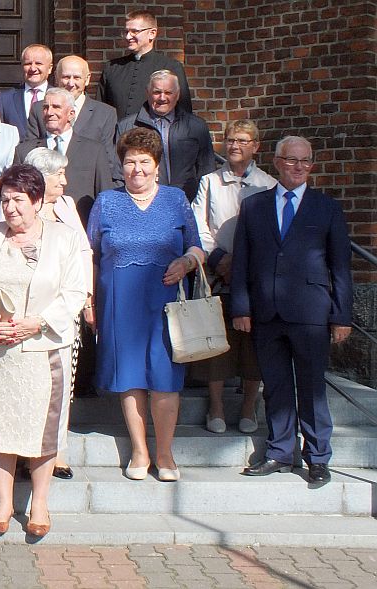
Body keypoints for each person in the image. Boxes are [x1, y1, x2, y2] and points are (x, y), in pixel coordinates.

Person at [0, 164, 86, 538]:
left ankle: (39, 503)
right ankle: (3, 503)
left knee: (41, 428)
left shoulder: (64, 238)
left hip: (42, 349)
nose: (10, 208)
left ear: (36, 200)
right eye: (5, 200)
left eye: (18, 199)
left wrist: (39, 322)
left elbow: (75, 292)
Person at [232, 136, 353, 485]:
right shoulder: (254, 206)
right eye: (292, 160)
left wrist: (342, 315)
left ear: (311, 165)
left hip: (311, 313)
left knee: (312, 388)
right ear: (277, 162)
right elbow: (242, 262)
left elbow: (340, 266)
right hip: (266, 312)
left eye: (305, 161)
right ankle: (280, 451)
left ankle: (317, 456)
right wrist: (241, 307)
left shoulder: (326, 208)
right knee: (276, 386)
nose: (299, 167)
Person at [87, 128, 204, 482]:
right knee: (130, 376)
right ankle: (140, 451)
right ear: (121, 166)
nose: (137, 169)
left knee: (165, 377)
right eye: (130, 162)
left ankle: (165, 453)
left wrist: (186, 262)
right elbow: (90, 256)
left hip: (165, 301)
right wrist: (89, 300)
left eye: (144, 161)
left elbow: (197, 247)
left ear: (156, 165)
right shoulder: (106, 202)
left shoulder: (175, 199)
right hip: (119, 302)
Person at [190, 120, 276, 434]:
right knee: (217, 340)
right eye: (230, 140)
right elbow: (199, 224)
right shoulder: (210, 181)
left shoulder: (268, 185)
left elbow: (271, 233)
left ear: (256, 146)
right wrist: (218, 258)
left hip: (254, 276)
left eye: (242, 140)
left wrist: (242, 263)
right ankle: (215, 406)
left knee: (252, 343)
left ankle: (249, 406)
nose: (234, 145)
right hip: (218, 272)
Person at [24, 147, 95, 480]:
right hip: (28, 312)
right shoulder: (21, 204)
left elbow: (83, 251)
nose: (65, 182)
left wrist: (88, 301)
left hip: (67, 310)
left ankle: (57, 452)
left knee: (62, 384)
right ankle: (26, 452)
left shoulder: (66, 206)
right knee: (30, 386)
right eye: (59, 175)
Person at [16, 87, 114, 226]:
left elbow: (105, 197)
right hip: (35, 228)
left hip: (81, 227)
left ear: (71, 114)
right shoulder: (25, 151)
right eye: (45, 107)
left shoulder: (94, 151)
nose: (49, 112)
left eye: (56, 107)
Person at [115, 70, 214, 202]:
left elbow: (207, 170)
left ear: (177, 95)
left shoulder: (196, 126)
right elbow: (118, 171)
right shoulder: (127, 126)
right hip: (142, 201)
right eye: (157, 92)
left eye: (168, 93)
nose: (162, 98)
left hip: (187, 200)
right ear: (147, 93)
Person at [29, 55, 117, 173]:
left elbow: (108, 159)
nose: (71, 83)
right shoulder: (39, 108)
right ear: (56, 77)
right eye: (66, 77)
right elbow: (31, 149)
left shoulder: (105, 113)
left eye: (76, 77)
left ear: (87, 79)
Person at [98, 9, 192, 119]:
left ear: (152, 33)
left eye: (134, 31)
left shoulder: (171, 67)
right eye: (126, 32)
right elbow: (100, 111)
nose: (128, 37)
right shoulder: (112, 68)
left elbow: (184, 112)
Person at [0, 44, 53, 140]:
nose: (33, 68)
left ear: (50, 68)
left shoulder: (60, 97)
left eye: (38, 63)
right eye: (28, 64)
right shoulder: (6, 98)